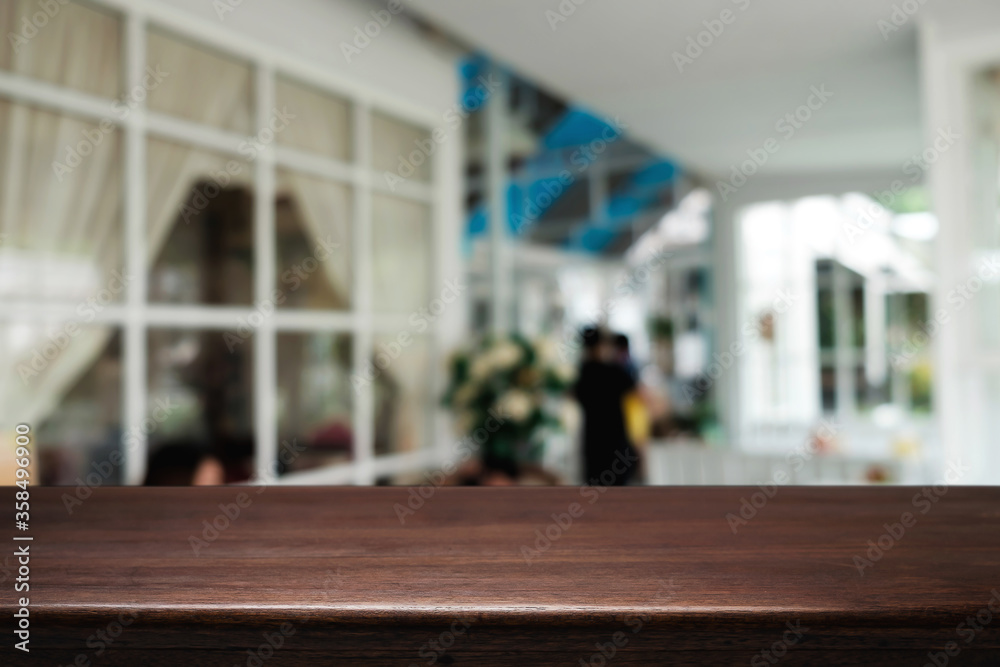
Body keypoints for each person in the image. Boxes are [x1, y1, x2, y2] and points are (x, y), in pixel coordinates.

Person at [573, 327, 639, 485]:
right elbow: (637, 392)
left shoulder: (582, 373)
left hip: (593, 441)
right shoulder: (615, 372)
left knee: (594, 487)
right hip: (615, 441)